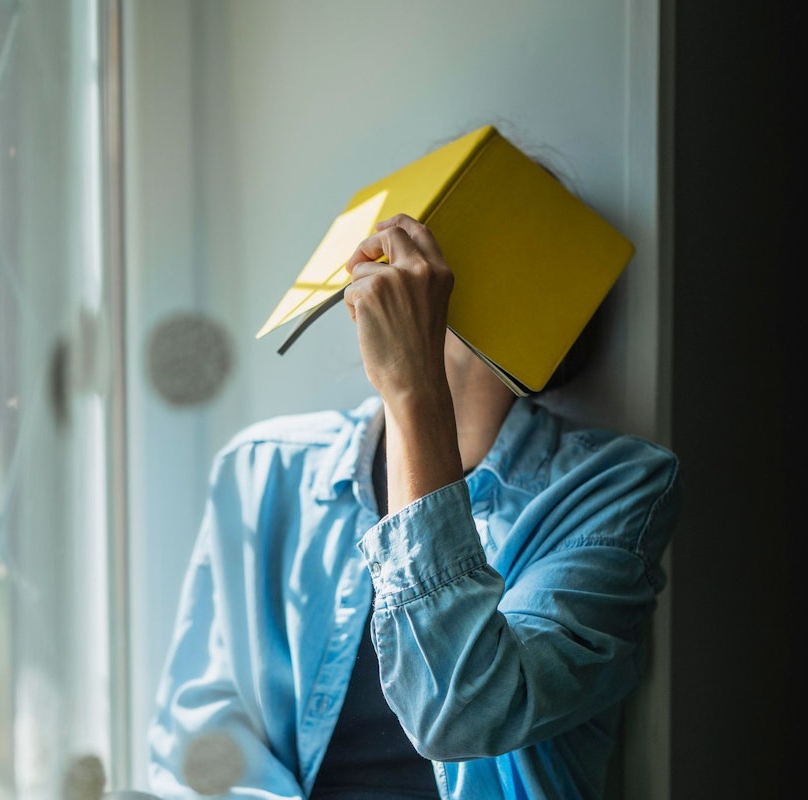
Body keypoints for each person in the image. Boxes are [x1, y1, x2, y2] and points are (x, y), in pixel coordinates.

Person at [147, 208, 681, 799]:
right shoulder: (265, 469)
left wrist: (413, 389)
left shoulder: (612, 486)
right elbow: (198, 750)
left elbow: (464, 711)